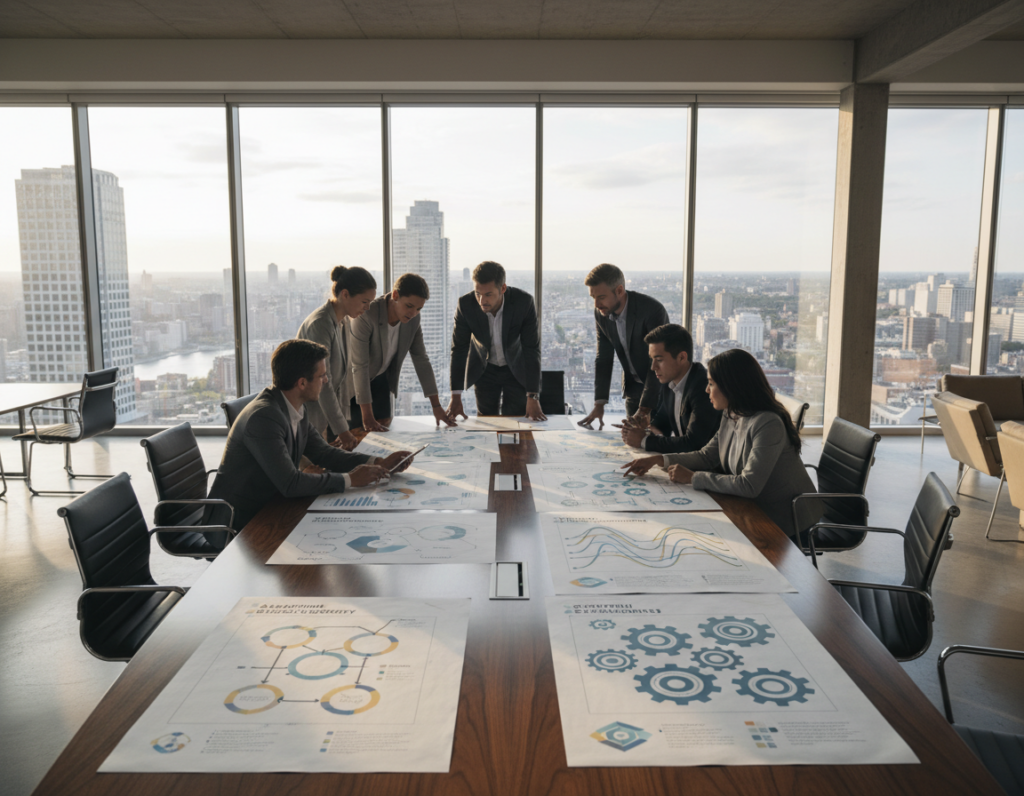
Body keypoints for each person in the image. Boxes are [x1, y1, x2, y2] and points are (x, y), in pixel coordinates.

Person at [207, 339, 414, 534]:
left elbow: (323, 453)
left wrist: (378, 463)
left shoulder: (292, 405)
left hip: (272, 505)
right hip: (239, 521)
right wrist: (350, 479)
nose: (326, 381)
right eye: (322, 376)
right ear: (302, 383)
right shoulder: (264, 418)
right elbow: (291, 484)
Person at [621, 348, 817, 539]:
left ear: (732, 386)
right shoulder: (732, 412)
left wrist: (693, 477)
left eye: (711, 384)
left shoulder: (767, 423)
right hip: (751, 508)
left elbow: (749, 485)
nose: (706, 390)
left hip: (783, 520)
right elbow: (707, 456)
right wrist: (659, 459)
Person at [349, 273, 456, 431]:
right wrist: (367, 416)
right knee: (356, 438)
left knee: (385, 434)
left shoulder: (413, 320)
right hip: (353, 384)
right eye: (409, 306)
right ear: (395, 295)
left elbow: (421, 359)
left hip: (381, 380)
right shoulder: (367, 315)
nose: (413, 313)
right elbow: (360, 367)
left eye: (419, 309)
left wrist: (436, 406)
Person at [446, 260, 544, 420]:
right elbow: (459, 349)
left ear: (502, 289)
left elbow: (531, 349)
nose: (482, 300)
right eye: (478, 293)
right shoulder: (466, 305)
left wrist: (533, 396)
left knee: (515, 420)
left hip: (515, 368)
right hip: (485, 369)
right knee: (486, 421)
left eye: (488, 294)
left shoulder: (523, 302)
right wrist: (455, 395)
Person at [577, 263, 670, 430]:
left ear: (619, 291)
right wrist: (600, 403)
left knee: (656, 447)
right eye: (593, 298)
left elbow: (658, 361)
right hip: (633, 390)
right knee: (632, 445)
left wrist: (644, 409)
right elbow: (604, 357)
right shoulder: (602, 313)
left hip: (659, 392)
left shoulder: (651, 310)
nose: (596, 304)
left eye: (601, 297)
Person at [295, 265, 377, 451]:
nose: (367, 308)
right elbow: (324, 382)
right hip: (308, 416)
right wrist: (342, 430)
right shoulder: (320, 324)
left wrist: (342, 425)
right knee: (313, 472)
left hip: (324, 419)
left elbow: (343, 376)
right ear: (345, 294)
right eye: (365, 301)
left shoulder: (343, 321)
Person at [619, 323, 720, 454]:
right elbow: (661, 424)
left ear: (682, 357)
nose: (653, 367)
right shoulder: (670, 383)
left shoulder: (704, 388)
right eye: (652, 359)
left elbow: (693, 444)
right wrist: (646, 429)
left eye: (659, 360)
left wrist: (644, 440)